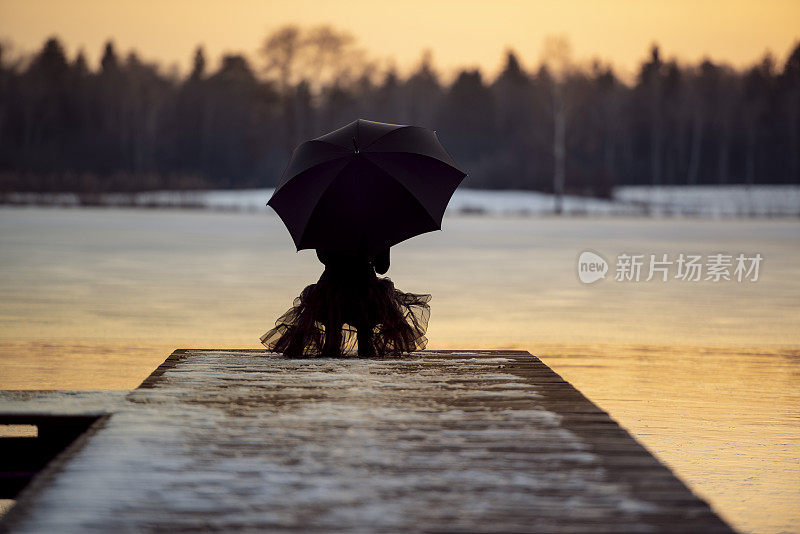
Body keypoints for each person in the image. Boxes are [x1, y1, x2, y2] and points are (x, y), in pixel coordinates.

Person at [261, 245, 430, 358]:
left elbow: (324, 258)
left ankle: (330, 359)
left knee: (332, 332)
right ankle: (365, 356)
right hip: (364, 287)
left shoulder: (327, 219)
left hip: (331, 286)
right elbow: (382, 267)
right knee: (365, 332)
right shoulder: (377, 222)